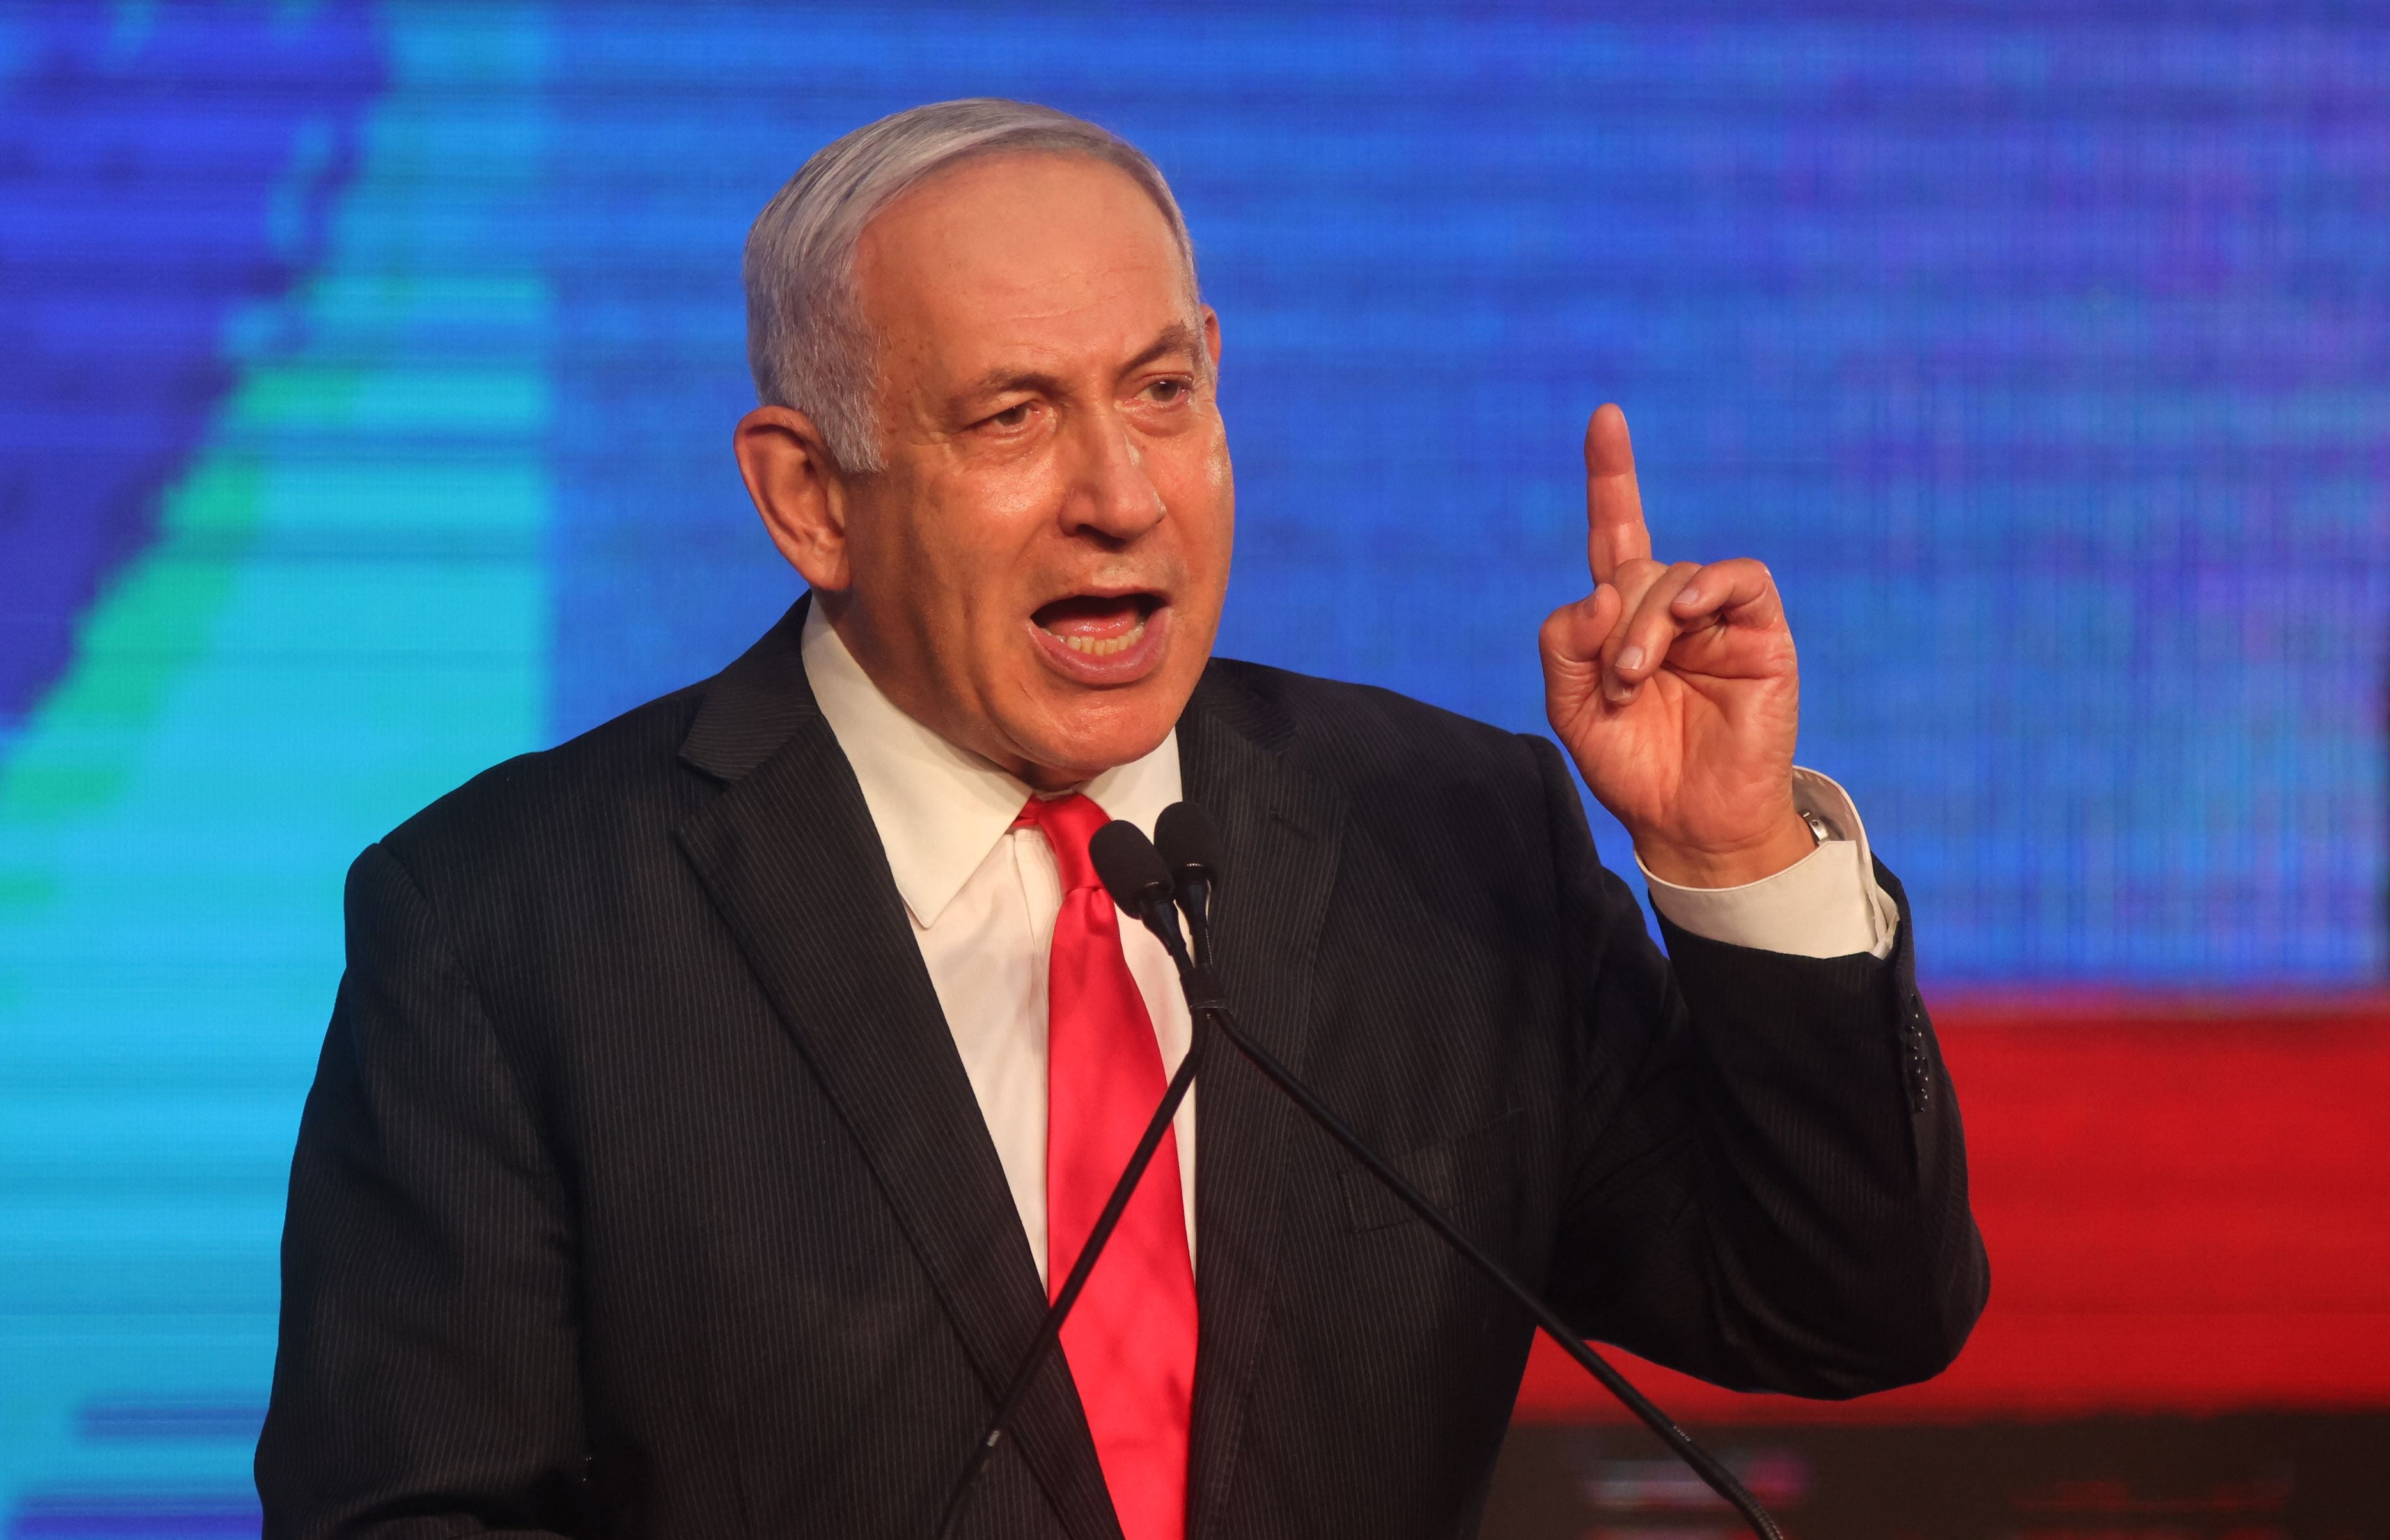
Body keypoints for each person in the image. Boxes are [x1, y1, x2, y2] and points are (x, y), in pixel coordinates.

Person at [256, 99, 1987, 1540]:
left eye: (1161, 391)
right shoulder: (508, 925)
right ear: (806, 495)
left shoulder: (1445, 837)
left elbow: (1845, 1311)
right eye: (1013, 416)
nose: (1118, 494)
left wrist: (1727, 853)